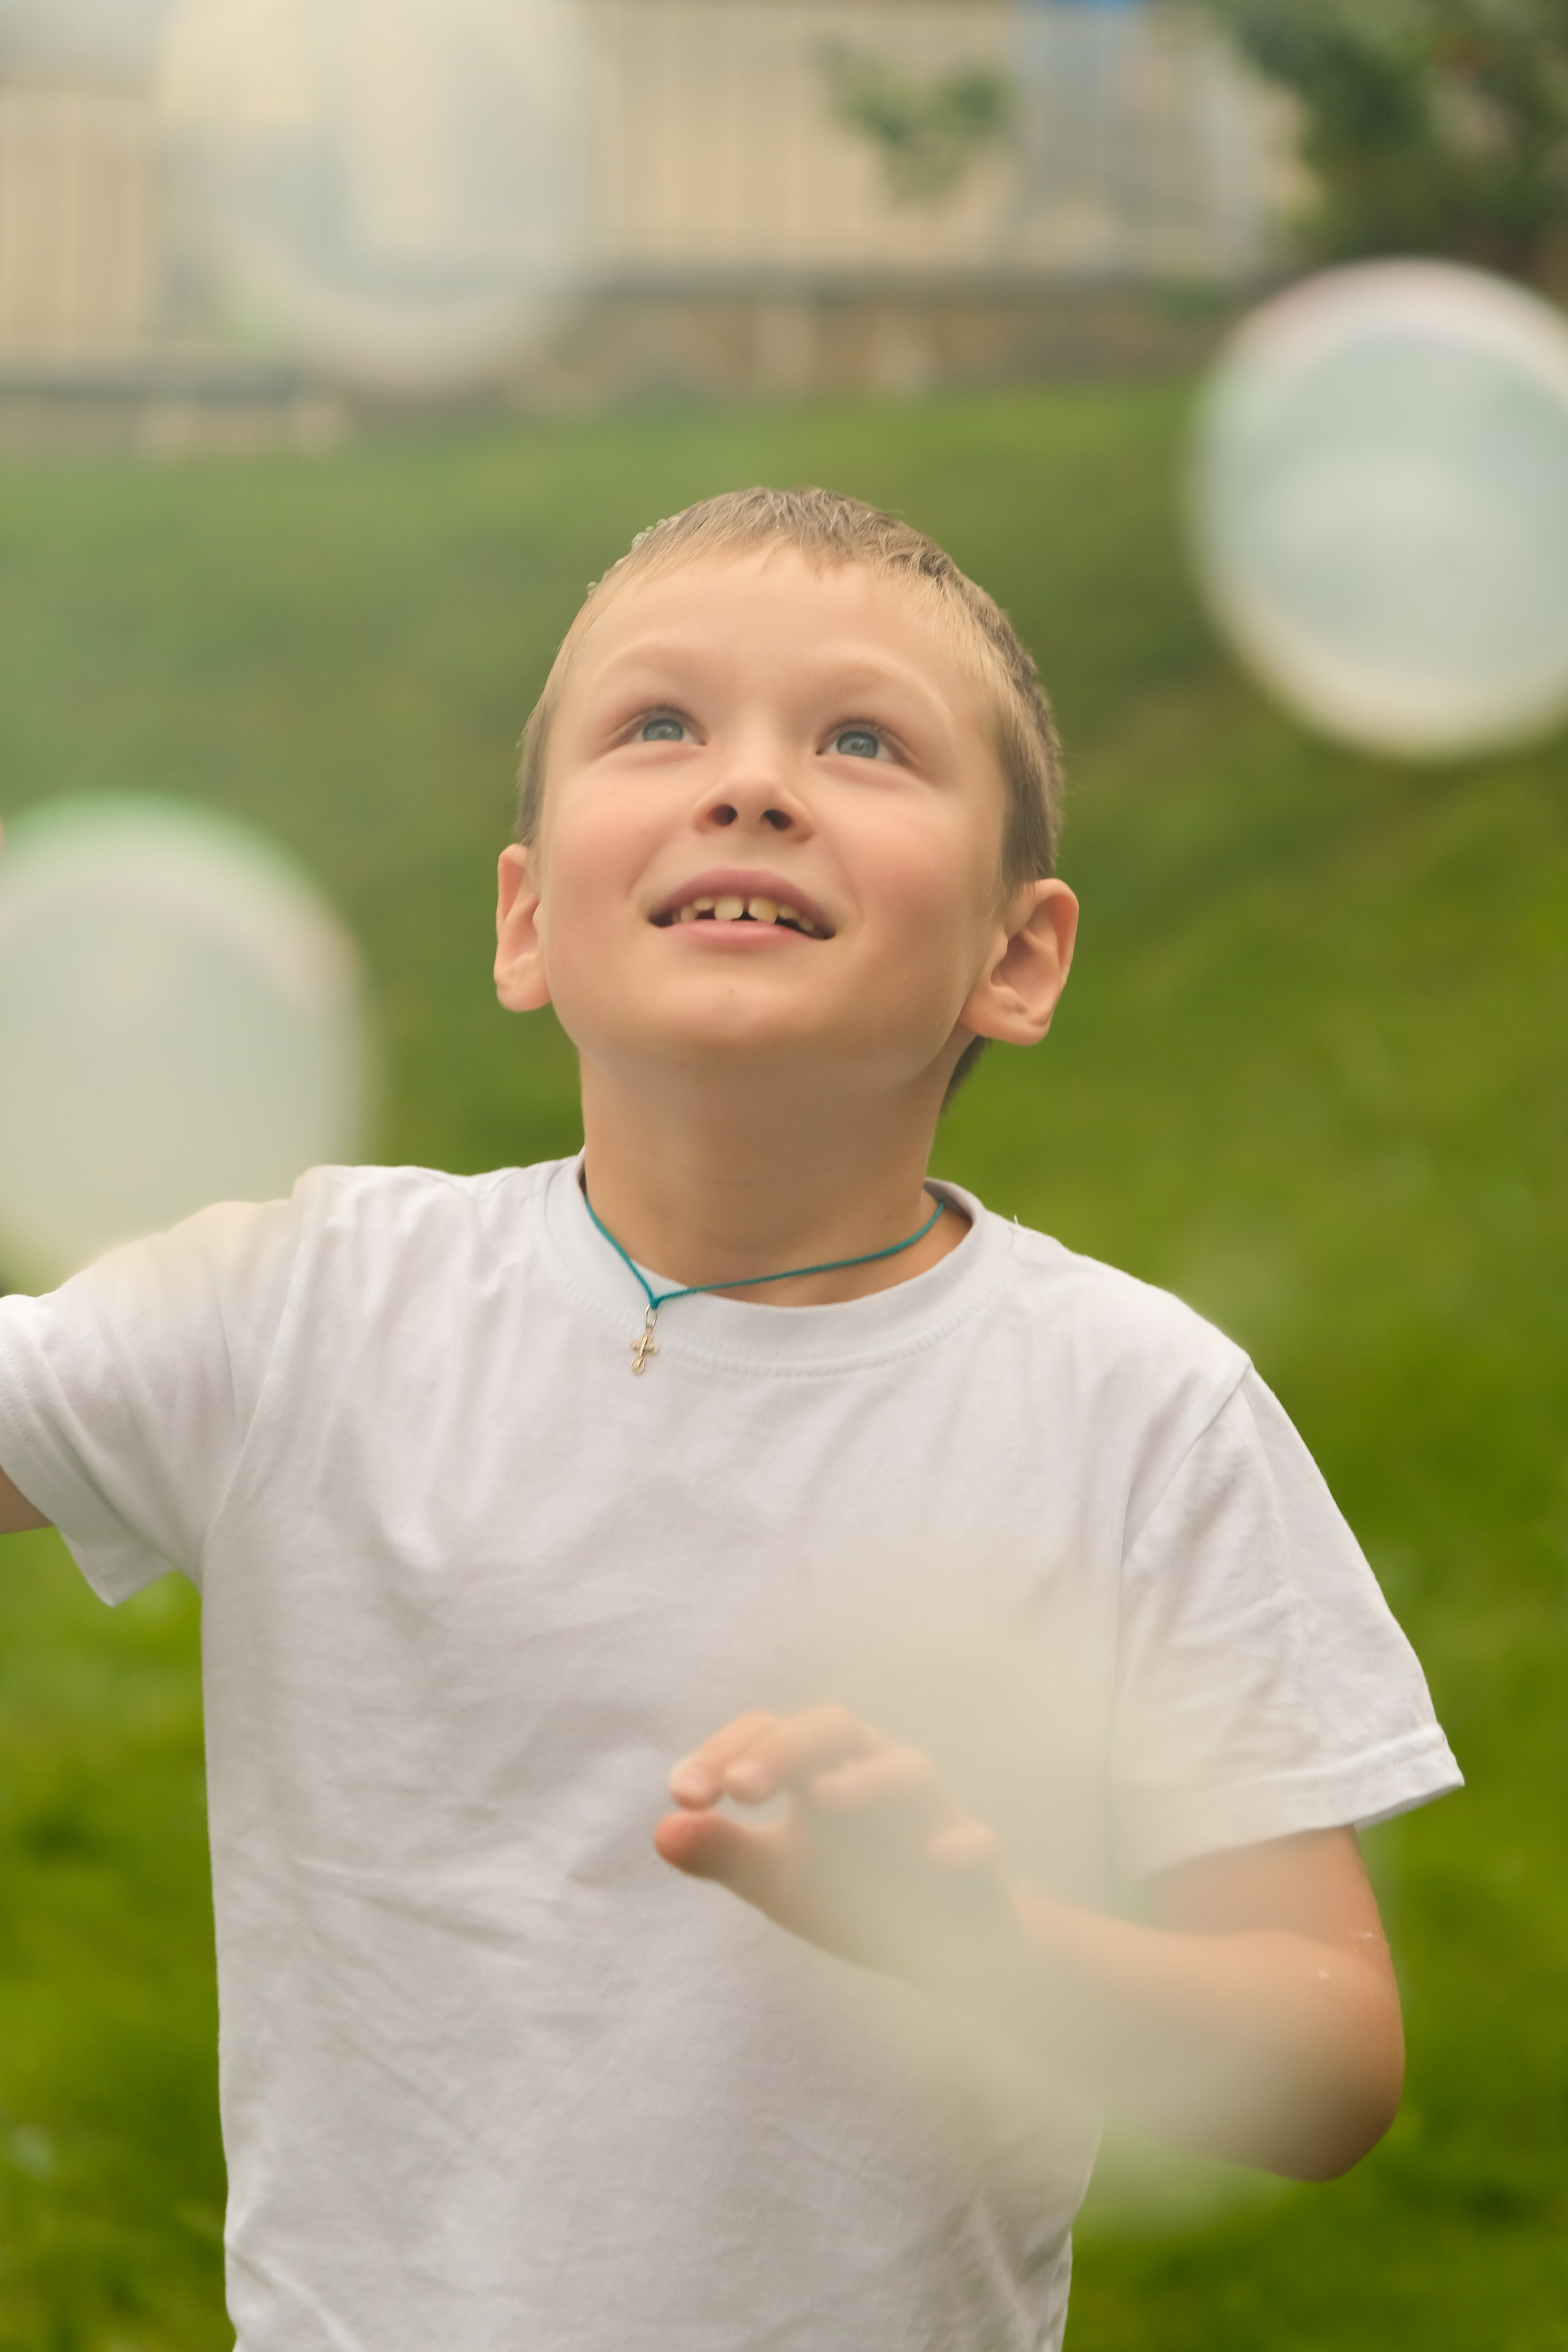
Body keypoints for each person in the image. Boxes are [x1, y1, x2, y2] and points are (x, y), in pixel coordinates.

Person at [0, 487, 1459, 2352]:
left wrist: (990, 1938)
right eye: (659, 726)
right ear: (528, 920)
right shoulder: (308, 1309)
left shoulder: (1136, 1409)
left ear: (1019, 958)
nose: (753, 786)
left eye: (863, 741)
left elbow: (1326, 2058)